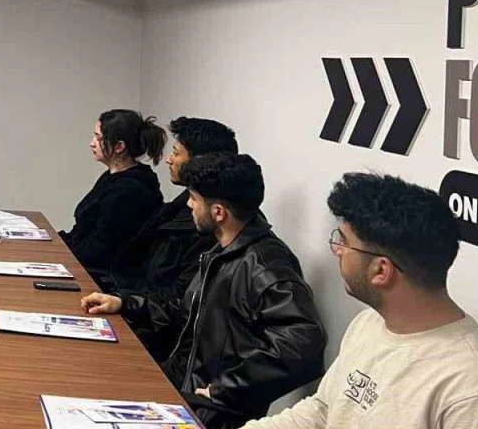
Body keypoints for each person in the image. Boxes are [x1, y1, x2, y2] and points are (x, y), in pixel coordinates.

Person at [81, 152, 325, 429]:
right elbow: (188, 312)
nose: (188, 205)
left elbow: (305, 345)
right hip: (177, 388)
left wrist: (225, 388)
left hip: (208, 412)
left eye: (193, 198)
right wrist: (125, 303)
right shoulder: (222, 251)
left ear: (219, 212)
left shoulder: (266, 266)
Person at [244, 173, 478, 428]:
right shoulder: (368, 323)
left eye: (343, 241)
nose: (337, 250)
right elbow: (323, 410)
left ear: (381, 271)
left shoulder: (471, 385)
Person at [93, 117, 237, 360]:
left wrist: (125, 302)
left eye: (176, 153)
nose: (169, 159)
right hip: (135, 308)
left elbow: (178, 302)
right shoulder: (180, 208)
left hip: (153, 334)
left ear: (200, 163)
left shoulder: (209, 228)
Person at [61, 109, 167, 273]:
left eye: (99, 138)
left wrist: (60, 256)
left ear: (119, 147)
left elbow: (100, 249)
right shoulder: (113, 177)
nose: (92, 143)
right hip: (82, 260)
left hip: (100, 274)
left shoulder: (130, 190)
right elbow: (84, 231)